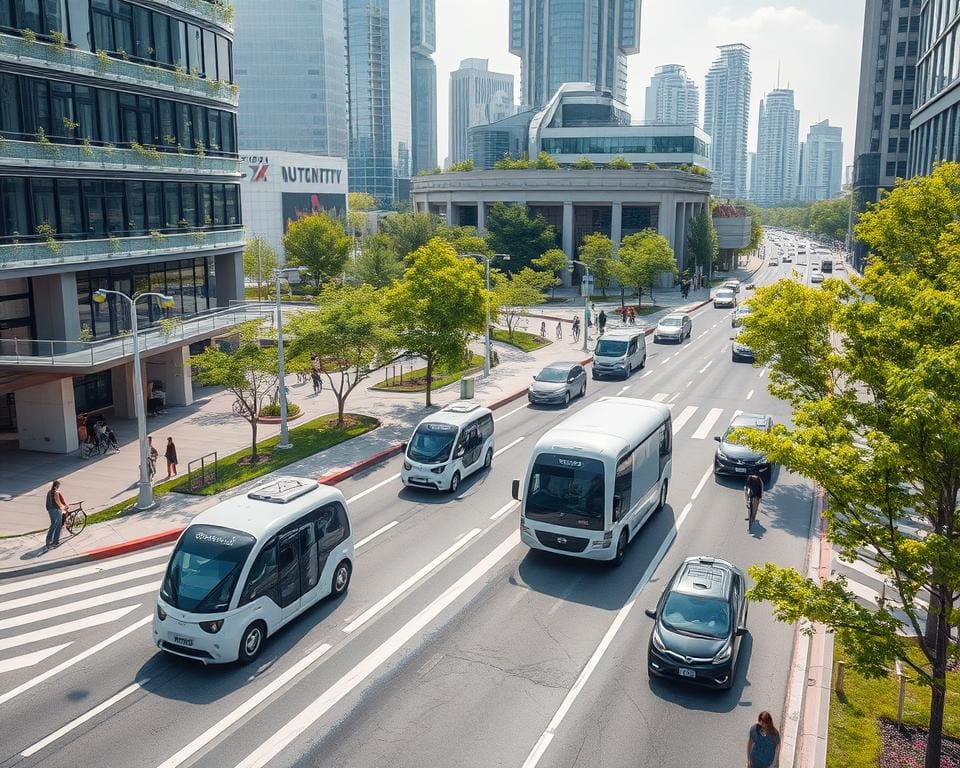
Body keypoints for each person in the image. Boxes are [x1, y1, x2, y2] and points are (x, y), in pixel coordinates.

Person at [45, 480, 67, 548]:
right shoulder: (56, 492)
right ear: (57, 486)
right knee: (58, 525)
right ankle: (54, 541)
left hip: (50, 510)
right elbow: (57, 501)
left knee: (54, 524)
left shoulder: (49, 492)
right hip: (56, 510)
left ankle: (49, 540)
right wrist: (62, 507)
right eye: (58, 486)